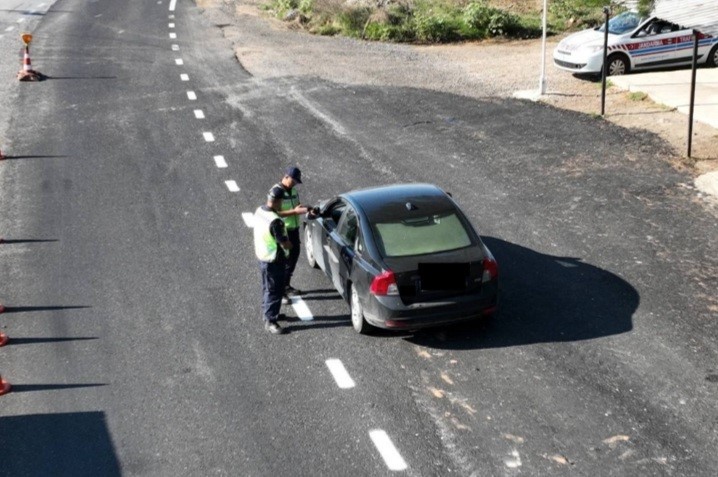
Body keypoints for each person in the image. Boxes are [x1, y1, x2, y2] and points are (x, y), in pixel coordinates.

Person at [268, 166, 313, 302]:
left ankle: (286, 286)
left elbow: (297, 207)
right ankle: (280, 292)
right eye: (293, 181)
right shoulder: (276, 192)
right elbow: (273, 212)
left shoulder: (293, 191)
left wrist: (307, 209)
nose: (294, 184)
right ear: (286, 176)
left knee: (293, 258)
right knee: (283, 262)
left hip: (294, 229)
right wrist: (294, 212)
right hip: (282, 231)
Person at [254, 193, 293, 335]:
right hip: (274, 259)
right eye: (282, 201)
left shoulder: (260, 211)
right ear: (277, 201)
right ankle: (270, 321)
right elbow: (283, 242)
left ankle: (269, 313)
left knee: (267, 287)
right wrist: (290, 246)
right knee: (274, 290)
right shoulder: (275, 221)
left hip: (263, 256)